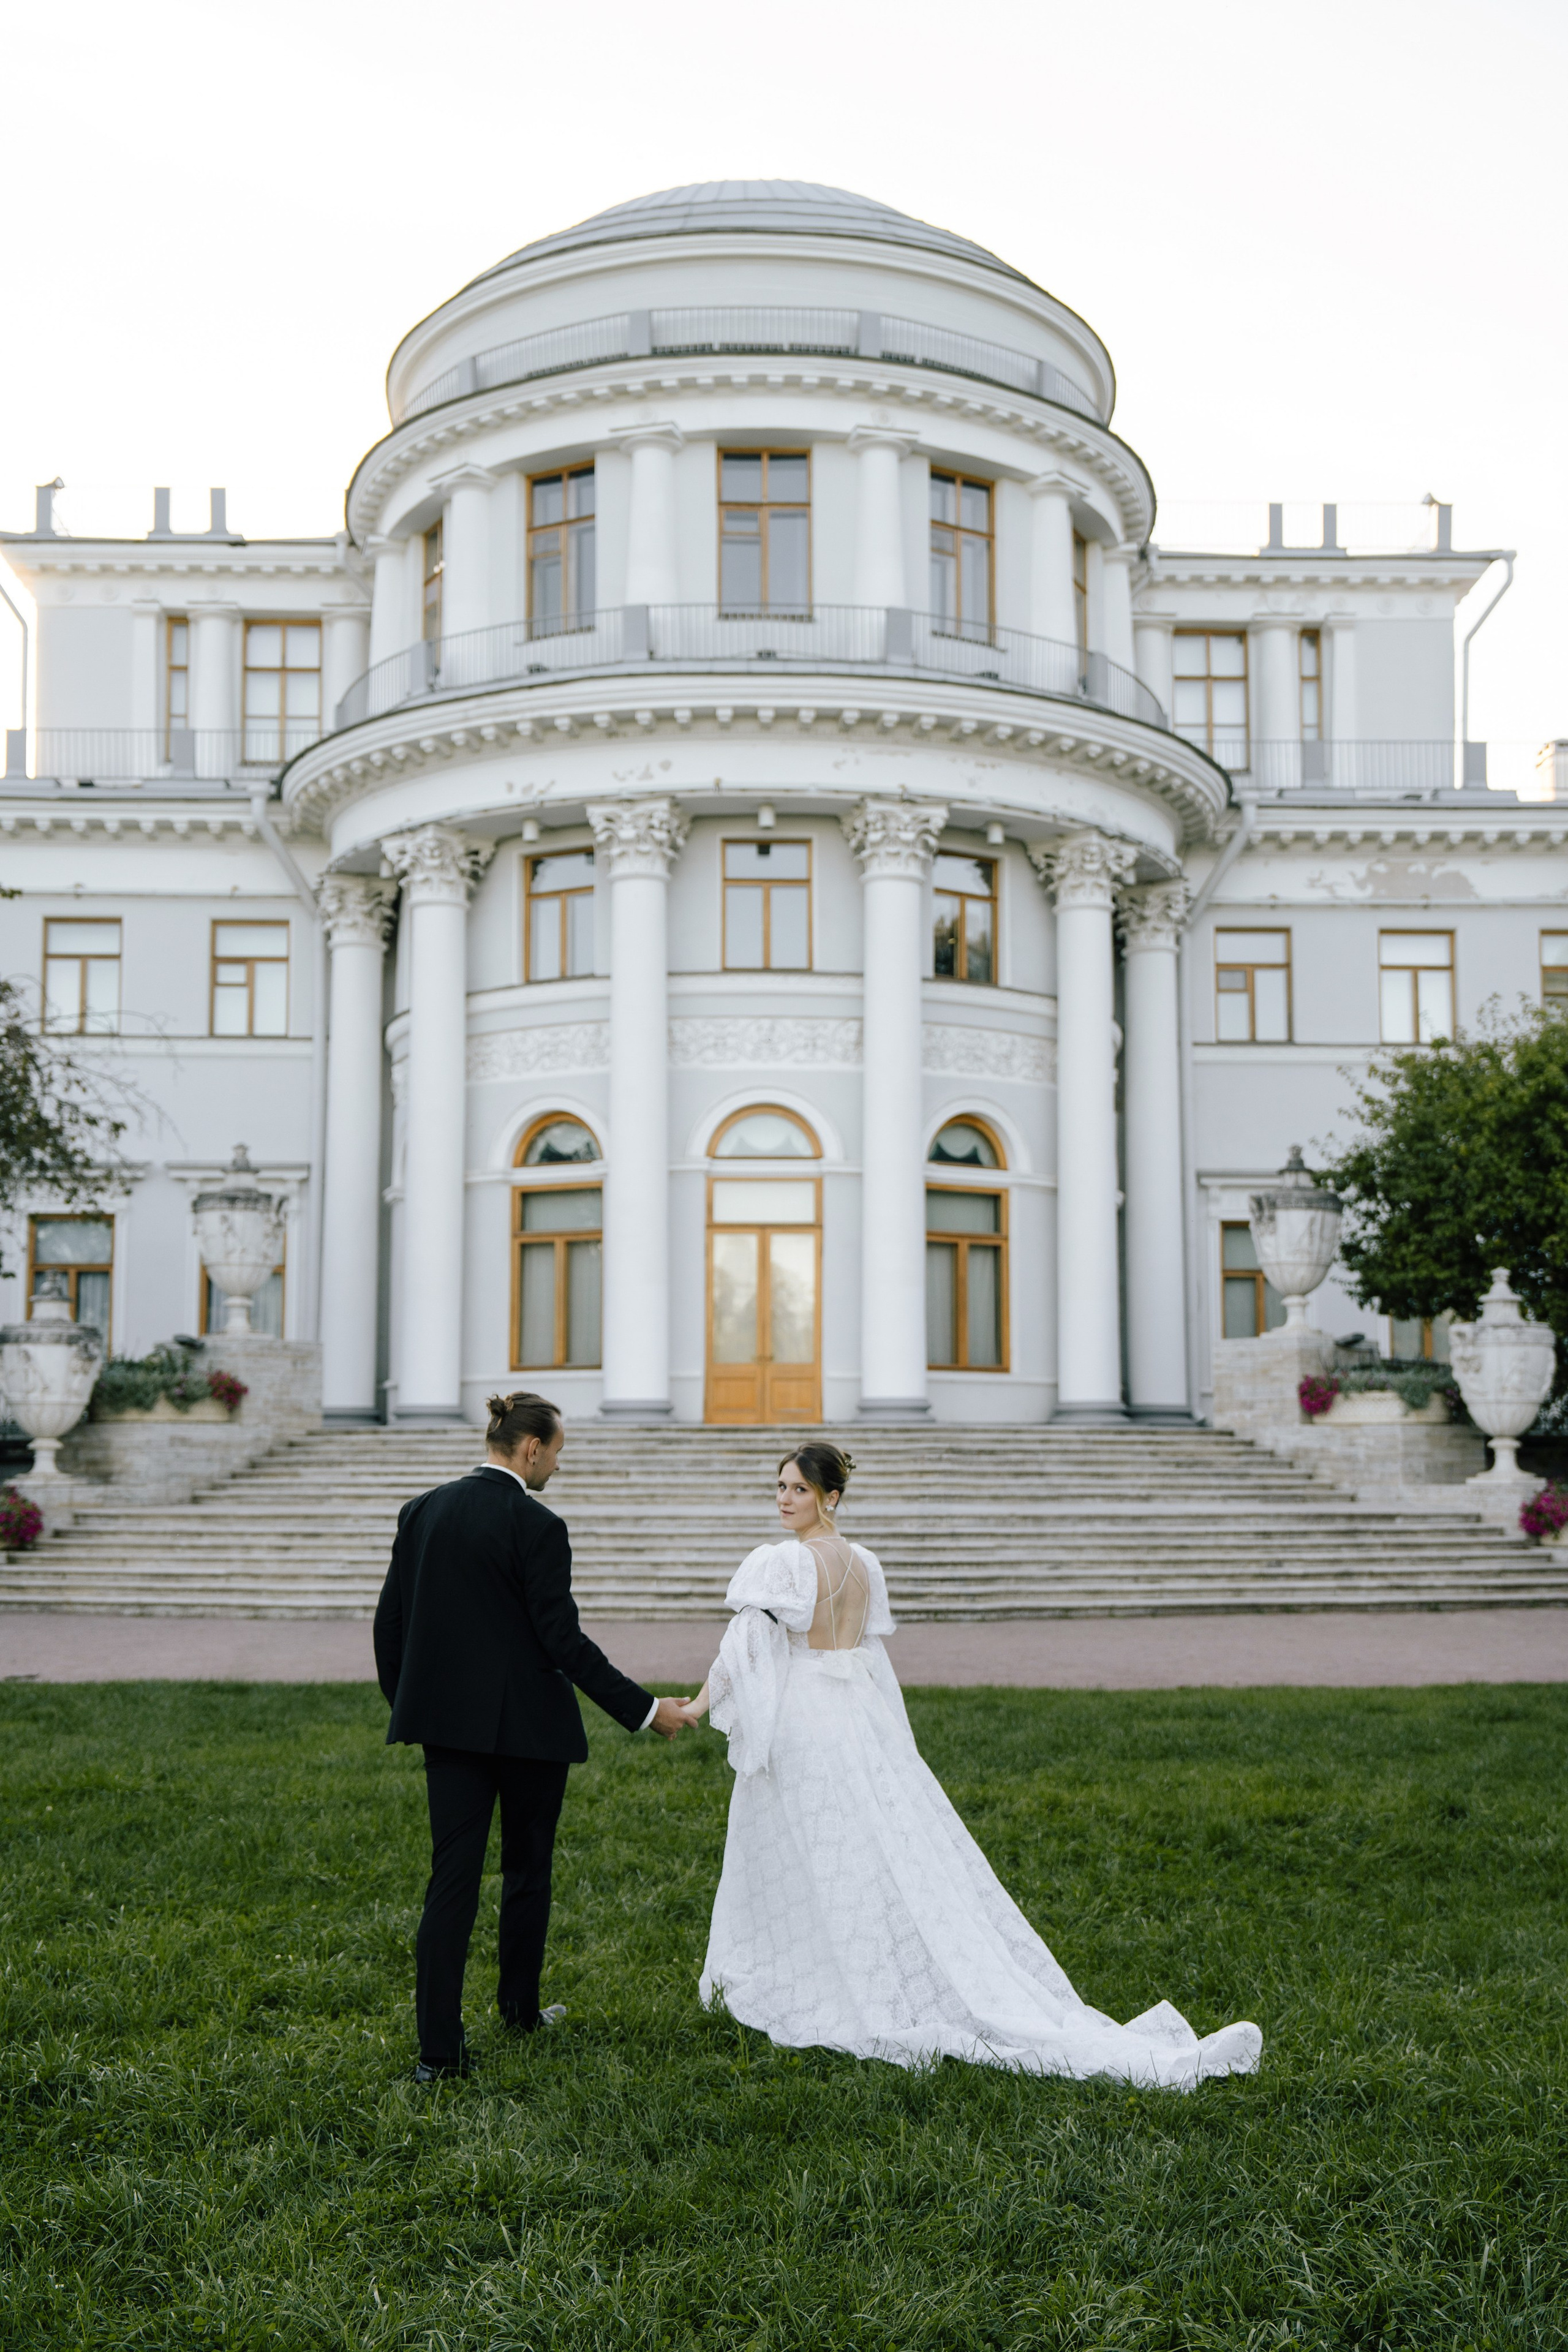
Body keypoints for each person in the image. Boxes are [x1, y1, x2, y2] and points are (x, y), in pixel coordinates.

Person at [677, 1442, 1261, 2090]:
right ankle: (842, 1953)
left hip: (808, 1719)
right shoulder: (862, 1563)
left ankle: (810, 1971)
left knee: (809, 1844)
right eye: (779, 1487)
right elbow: (870, 1656)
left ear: (830, 1498)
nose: (784, 1499)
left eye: (798, 1490)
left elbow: (747, 1646)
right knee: (860, 1845)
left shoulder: (785, 1561)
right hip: (853, 1714)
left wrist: (697, 1704)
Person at [374, 1390, 688, 2081]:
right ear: (531, 1448)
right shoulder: (536, 1525)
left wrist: (418, 1708)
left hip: (446, 1731)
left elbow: (389, 1627)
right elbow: (562, 1641)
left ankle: (438, 2054)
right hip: (529, 1734)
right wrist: (644, 1711)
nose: (556, 1468)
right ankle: (517, 2009)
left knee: (450, 1881)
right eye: (557, 1454)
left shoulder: (422, 1510)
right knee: (527, 1871)